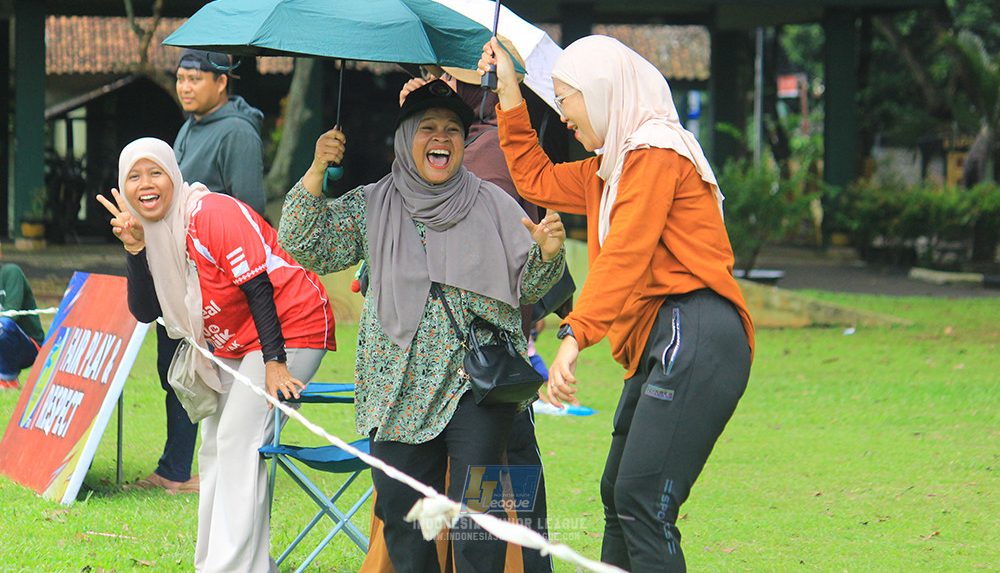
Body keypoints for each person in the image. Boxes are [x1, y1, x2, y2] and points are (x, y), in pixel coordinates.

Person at [480, 34, 755, 572]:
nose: (562, 116)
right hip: (663, 338)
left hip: (695, 327)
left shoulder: (656, 153)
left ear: (603, 90)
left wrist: (572, 335)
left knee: (641, 500)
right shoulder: (609, 170)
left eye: (566, 100)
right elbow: (533, 177)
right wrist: (510, 92)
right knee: (618, 495)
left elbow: (625, 254)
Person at [278, 80, 567, 573]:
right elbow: (303, 241)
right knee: (403, 521)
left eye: (453, 129)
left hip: (477, 387)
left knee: (478, 524)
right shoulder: (372, 204)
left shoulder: (494, 203)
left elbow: (530, 283)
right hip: (396, 389)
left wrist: (547, 252)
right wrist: (316, 168)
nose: (442, 137)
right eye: (428, 128)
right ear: (406, 137)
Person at [98, 137, 335, 572]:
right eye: (134, 176)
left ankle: (232, 567)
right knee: (213, 446)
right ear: (122, 185)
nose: (146, 185)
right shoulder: (156, 231)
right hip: (233, 338)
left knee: (239, 441)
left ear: (175, 174)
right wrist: (135, 250)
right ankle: (216, 562)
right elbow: (146, 310)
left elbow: (258, 285)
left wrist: (274, 363)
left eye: (156, 173)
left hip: (291, 324)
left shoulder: (210, 213)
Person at [140, 48, 268, 494]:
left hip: (213, 279)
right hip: (174, 270)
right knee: (171, 365)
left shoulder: (238, 132)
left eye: (195, 79)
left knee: (201, 367)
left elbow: (249, 209)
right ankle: (175, 465)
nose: (185, 87)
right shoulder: (189, 127)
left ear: (221, 83)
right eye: (180, 78)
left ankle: (189, 468)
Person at [0, 244, 45, 390]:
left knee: (3, 325)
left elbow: (11, 314)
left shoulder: (11, 272)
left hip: (28, 343)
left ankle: (8, 379)